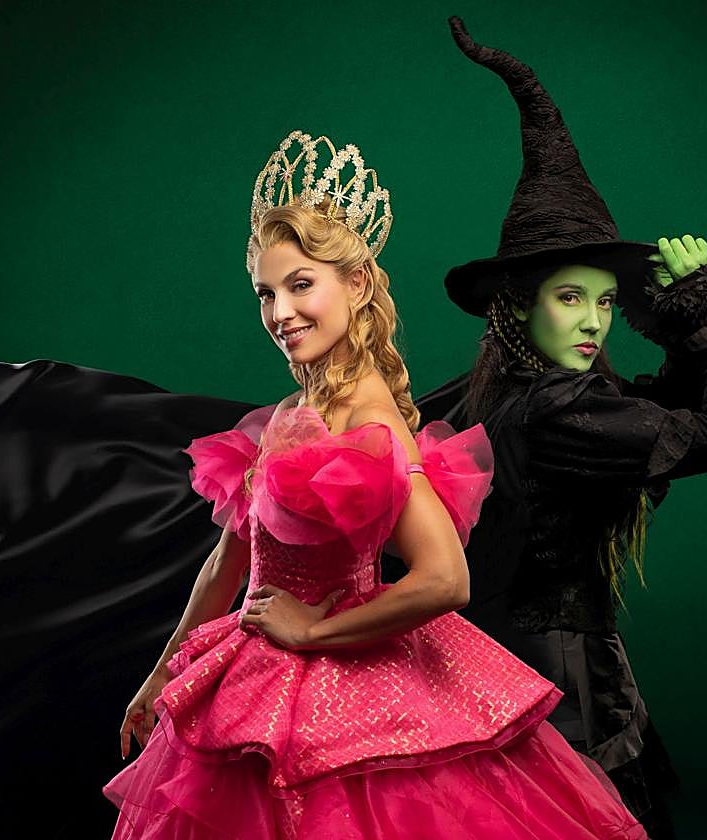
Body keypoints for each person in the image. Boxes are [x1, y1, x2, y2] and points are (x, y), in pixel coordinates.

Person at [103, 130, 646, 839]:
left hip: (338, 674)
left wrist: (313, 630)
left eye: (301, 285)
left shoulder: (370, 419)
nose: (280, 312)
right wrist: (162, 672)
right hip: (255, 670)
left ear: (356, 285)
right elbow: (229, 559)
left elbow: (445, 578)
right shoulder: (292, 411)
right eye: (266, 293)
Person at [403, 20, 707, 840]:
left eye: (606, 301)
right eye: (570, 298)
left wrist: (681, 331)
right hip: (558, 693)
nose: (594, 322)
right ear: (518, 306)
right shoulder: (558, 407)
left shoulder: (485, 397)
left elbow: (655, 420)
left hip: (483, 671)